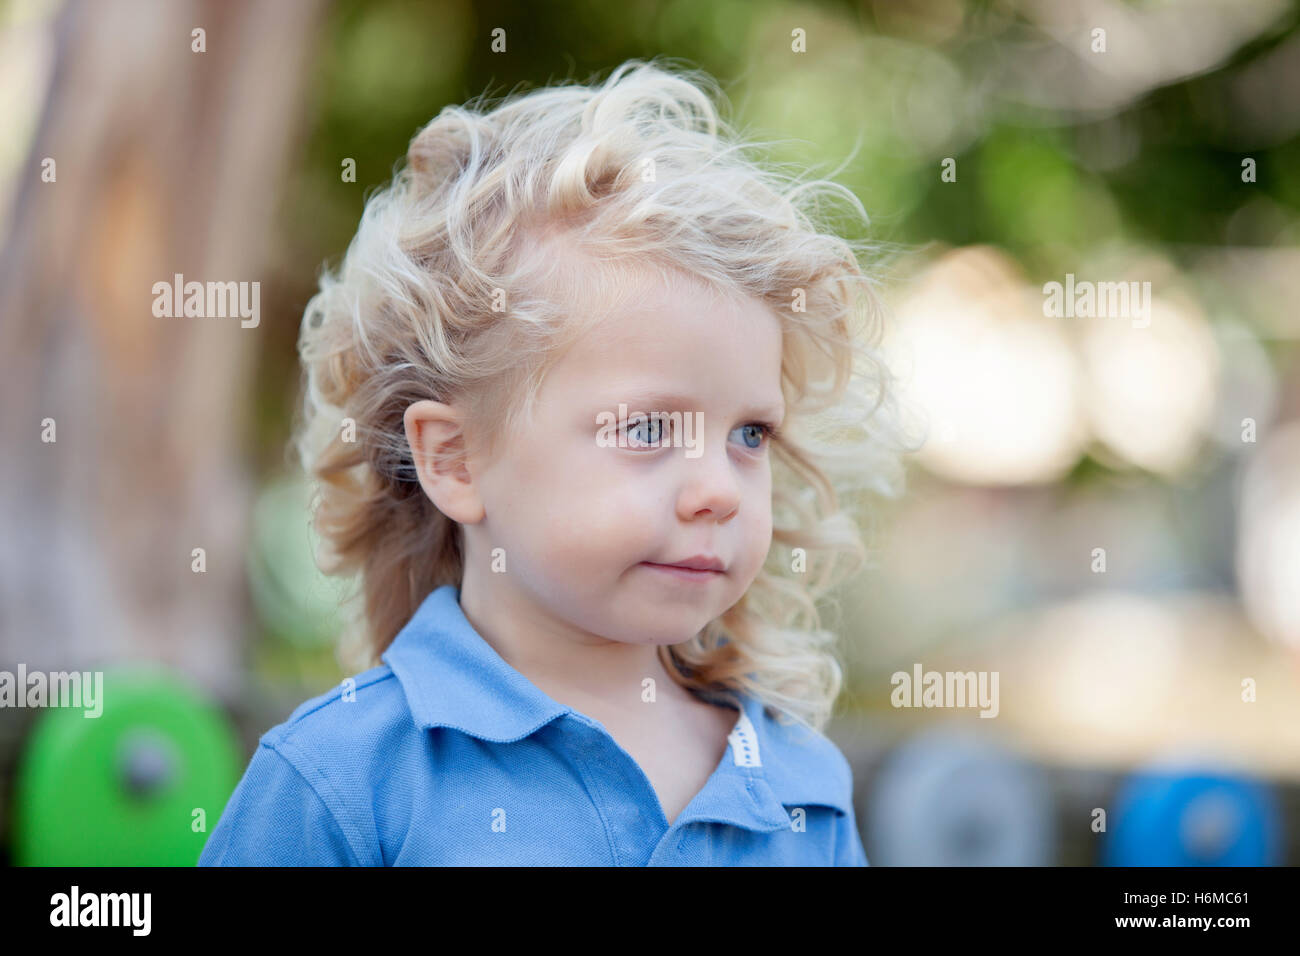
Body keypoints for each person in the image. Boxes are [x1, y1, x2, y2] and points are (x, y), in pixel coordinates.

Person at [199, 57, 911, 866]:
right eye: (646, 431)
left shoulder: (797, 789)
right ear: (457, 459)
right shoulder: (344, 782)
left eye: (749, 435)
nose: (719, 488)